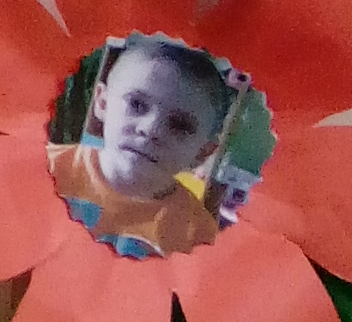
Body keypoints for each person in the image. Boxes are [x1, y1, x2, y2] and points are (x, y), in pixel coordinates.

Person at [49, 36, 242, 258]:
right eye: (137, 104)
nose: (151, 129)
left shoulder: (198, 237)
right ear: (102, 103)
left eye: (180, 125)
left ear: (202, 152)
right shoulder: (45, 169)